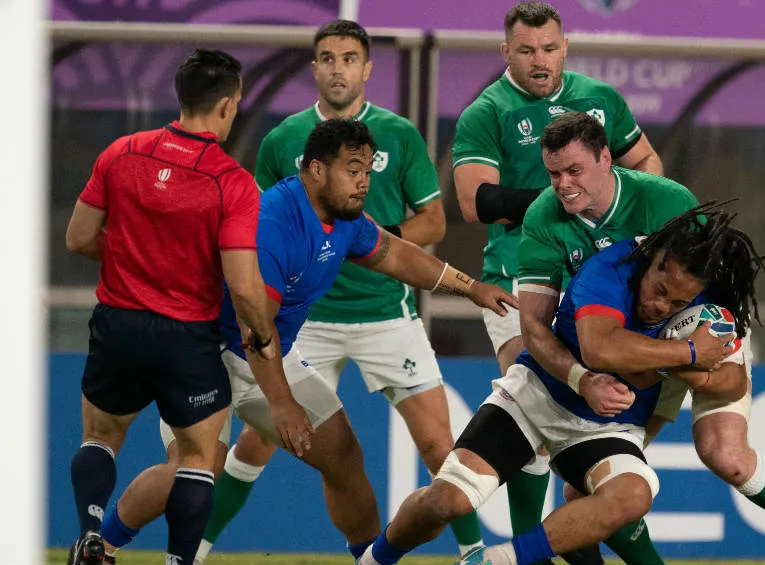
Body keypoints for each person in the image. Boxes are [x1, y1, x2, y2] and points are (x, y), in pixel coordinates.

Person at [96, 119, 517, 563]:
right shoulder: (271, 223)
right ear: (316, 169)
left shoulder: (345, 218)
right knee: (197, 468)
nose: (363, 182)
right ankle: (99, 546)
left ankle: (368, 560)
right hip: (204, 354)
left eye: (367, 171)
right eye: (352, 170)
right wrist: (281, 403)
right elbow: (255, 327)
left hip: (265, 351)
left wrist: (471, 287)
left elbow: (394, 254)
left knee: (343, 456)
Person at [192, 20, 485, 563]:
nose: (338, 68)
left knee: (438, 445)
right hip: (302, 321)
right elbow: (257, 235)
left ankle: (473, 554)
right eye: (327, 58)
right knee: (253, 444)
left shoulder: (398, 134)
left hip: (385, 313)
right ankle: (190, 549)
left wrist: (359, 240)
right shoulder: (283, 141)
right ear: (314, 68)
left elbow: (431, 224)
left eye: (349, 58)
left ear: (367, 68)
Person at [520, 114, 765, 565]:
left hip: (693, 332)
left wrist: (697, 358)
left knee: (726, 454)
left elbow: (711, 306)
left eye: (574, 170)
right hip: (631, 351)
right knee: (587, 493)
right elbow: (535, 326)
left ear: (605, 159)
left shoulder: (666, 201)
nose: (563, 184)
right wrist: (581, 377)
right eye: (554, 173)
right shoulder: (542, 217)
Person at [356, 202, 765, 565]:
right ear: (653, 260)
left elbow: (732, 383)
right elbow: (602, 349)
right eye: (659, 290)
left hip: (607, 427)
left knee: (634, 495)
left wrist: (694, 366)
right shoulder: (610, 269)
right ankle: (375, 558)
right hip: (537, 398)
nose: (660, 307)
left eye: (677, 303)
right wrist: (689, 354)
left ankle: (498, 560)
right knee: (448, 500)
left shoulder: (709, 304)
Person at [451, 2, 663, 559]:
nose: (539, 60)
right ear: (506, 52)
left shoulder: (600, 99)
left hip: (601, 282)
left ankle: (561, 539)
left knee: (592, 432)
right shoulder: (487, 111)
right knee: (536, 422)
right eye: (526, 50)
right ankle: (531, 552)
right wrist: (569, 194)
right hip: (517, 281)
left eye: (548, 48)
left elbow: (648, 165)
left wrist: (619, 211)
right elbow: (476, 202)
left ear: (565, 46)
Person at [64, 49, 276, 565]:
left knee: (101, 438)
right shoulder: (231, 181)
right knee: (198, 458)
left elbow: (79, 237)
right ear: (227, 105)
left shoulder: (121, 153)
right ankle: (180, 561)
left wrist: (131, 259)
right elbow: (242, 283)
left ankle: (90, 535)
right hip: (186, 338)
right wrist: (262, 332)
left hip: (117, 327)